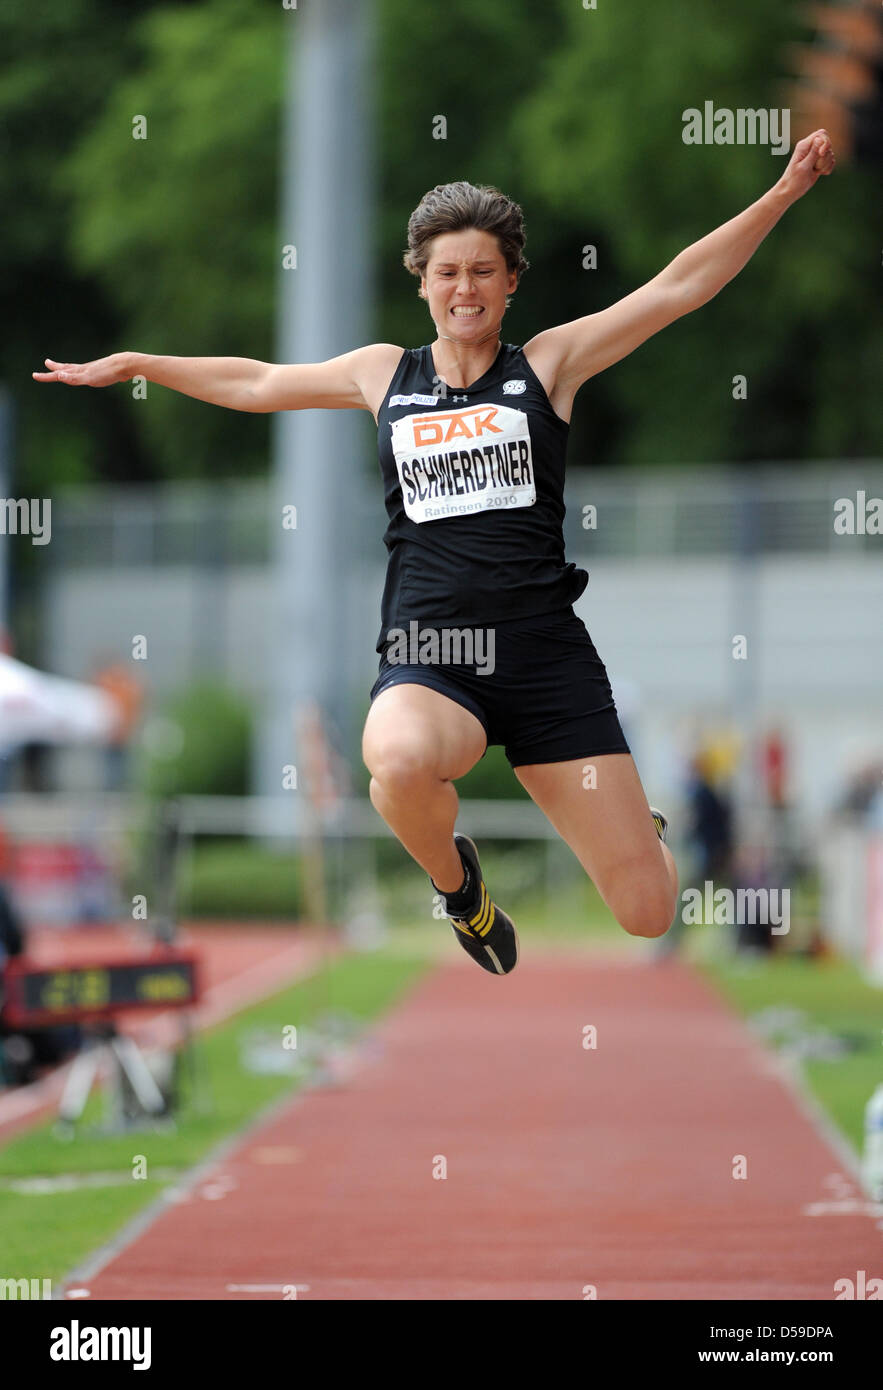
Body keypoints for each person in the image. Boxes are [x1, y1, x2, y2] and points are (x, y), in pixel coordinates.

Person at [33, 130, 836, 976]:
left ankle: (643, 834)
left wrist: (780, 193)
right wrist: (141, 365)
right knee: (396, 763)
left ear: (511, 282)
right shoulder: (383, 375)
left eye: (484, 270)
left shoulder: (549, 366)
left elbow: (678, 287)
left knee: (644, 913)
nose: (465, 288)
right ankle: (462, 896)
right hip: (434, 654)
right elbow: (258, 383)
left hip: (544, 660)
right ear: (421, 281)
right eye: (447, 271)